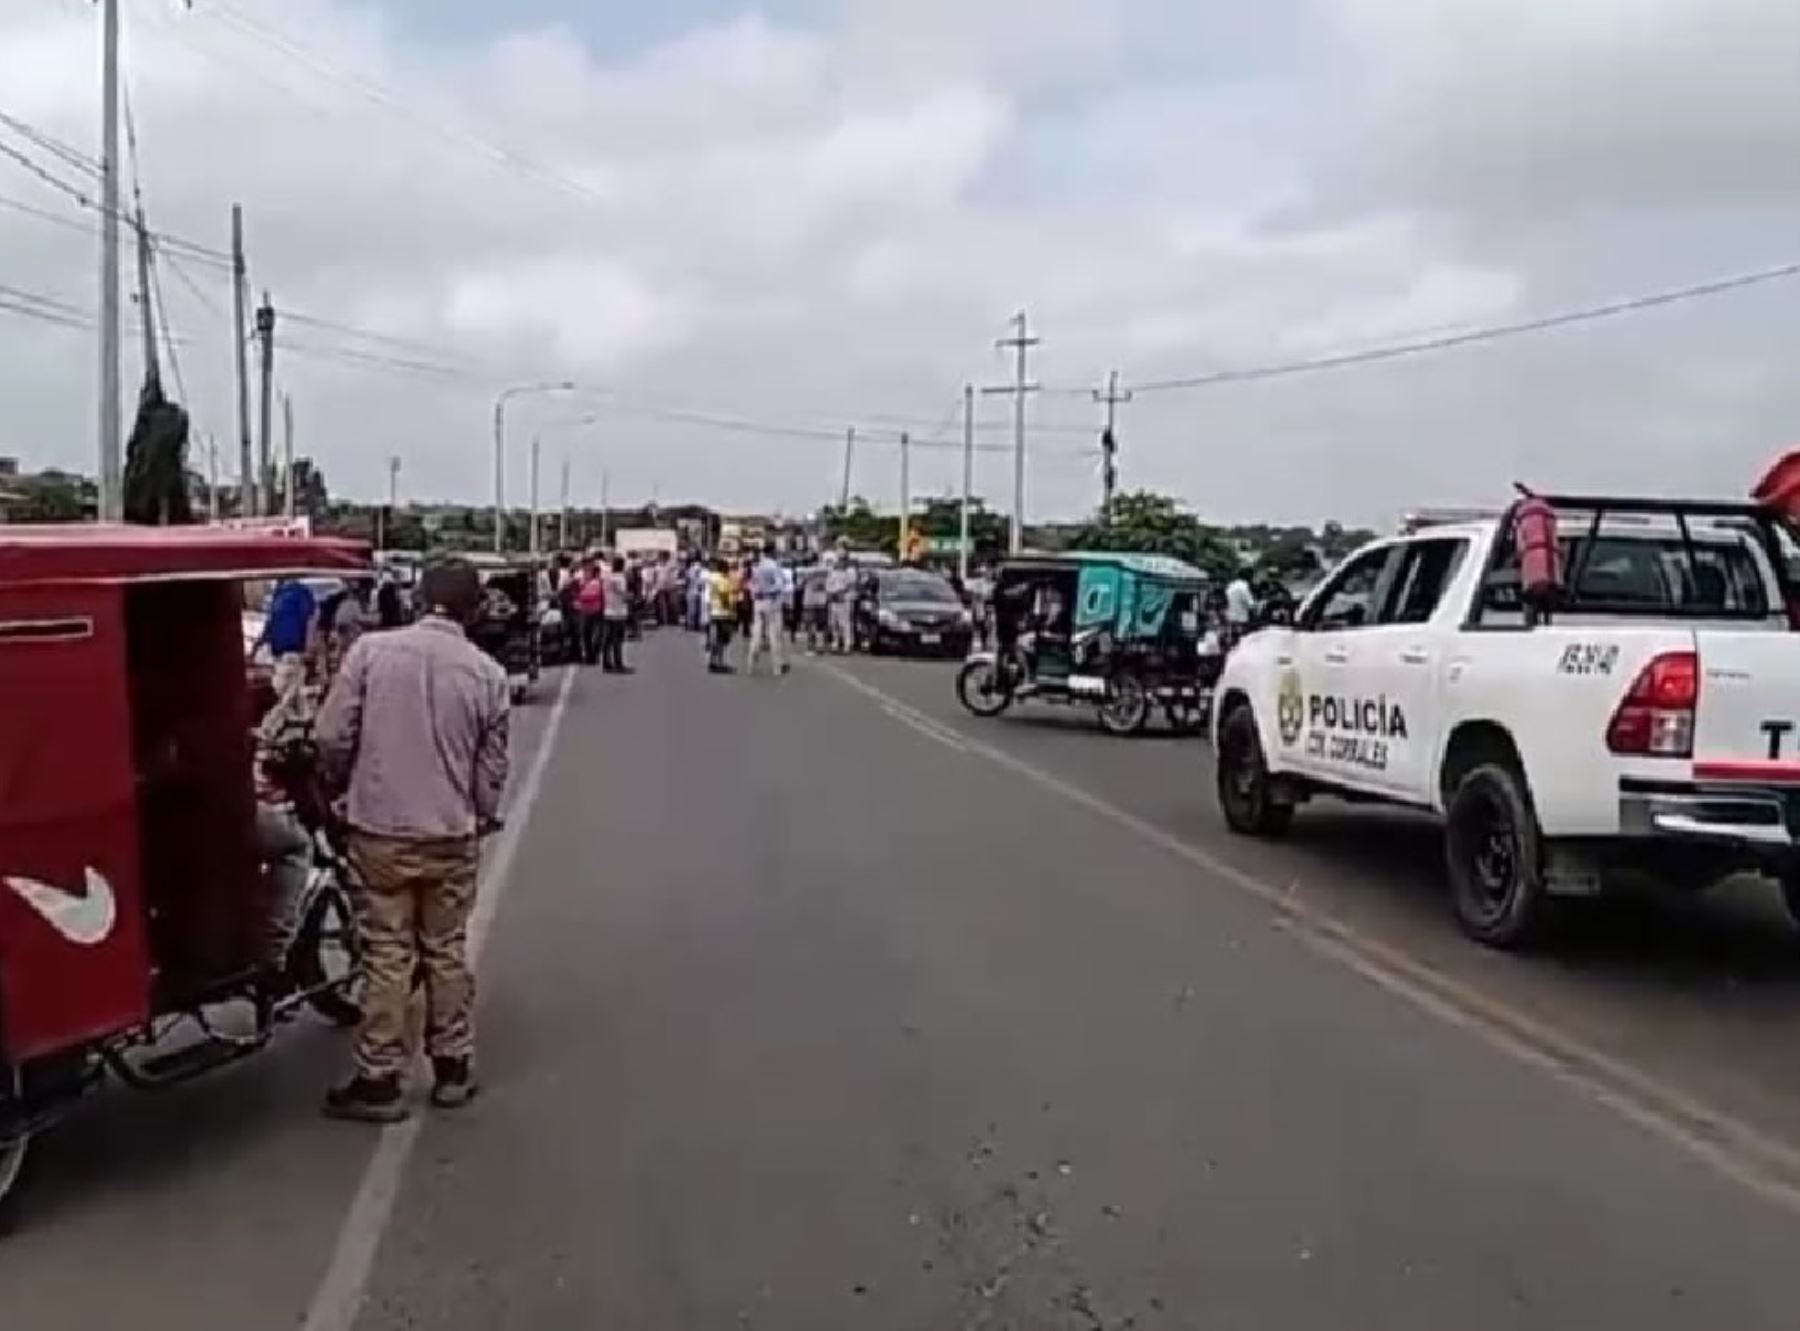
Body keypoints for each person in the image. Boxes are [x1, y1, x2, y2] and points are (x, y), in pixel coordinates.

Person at [314, 560, 510, 1122]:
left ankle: (379, 1079)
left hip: (379, 831)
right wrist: (483, 816)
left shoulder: (372, 653)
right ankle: (452, 1066)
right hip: (450, 833)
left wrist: (342, 781)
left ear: (419, 599)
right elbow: (490, 773)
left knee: (387, 953)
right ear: (474, 610)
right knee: (445, 949)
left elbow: (331, 735)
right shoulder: (488, 674)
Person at [257, 577, 318, 742]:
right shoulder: (287, 594)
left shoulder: (292, 594)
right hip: (285, 654)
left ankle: (268, 727)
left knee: (286, 692)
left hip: (291, 652)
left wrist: (309, 646)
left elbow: (310, 620)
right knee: (293, 694)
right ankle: (307, 729)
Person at [745, 545, 788, 676]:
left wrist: (756, 593)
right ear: (772, 552)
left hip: (758, 602)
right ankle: (777, 667)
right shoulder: (773, 566)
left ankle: (751, 664)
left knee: (756, 633)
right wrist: (770, 591)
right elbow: (780, 584)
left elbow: (750, 585)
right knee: (774, 634)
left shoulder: (757, 567)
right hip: (771, 601)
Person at [705, 556, 737, 673]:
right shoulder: (722, 580)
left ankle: (712, 661)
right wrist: (731, 610)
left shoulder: (713, 578)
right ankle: (720, 662)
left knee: (715, 638)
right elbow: (724, 596)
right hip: (723, 613)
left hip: (714, 611)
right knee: (722, 640)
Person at [602, 554, 632, 673]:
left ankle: (606, 663)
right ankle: (618, 663)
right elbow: (623, 594)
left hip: (608, 610)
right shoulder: (620, 578)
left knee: (608, 640)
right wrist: (631, 597)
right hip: (618, 612)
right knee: (618, 640)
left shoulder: (607, 577)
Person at [574, 559, 605, 666]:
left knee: (597, 633)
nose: (587, 570)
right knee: (585, 633)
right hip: (584, 609)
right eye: (585, 567)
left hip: (596, 609)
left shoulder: (599, 580)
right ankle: (589, 655)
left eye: (589, 567)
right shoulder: (579, 579)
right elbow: (574, 591)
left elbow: (603, 594)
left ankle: (594, 652)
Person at [825, 555, 856, 654]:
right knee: (834, 624)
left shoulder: (848, 573)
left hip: (844, 601)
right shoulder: (831, 573)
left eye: (841, 561)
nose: (839, 563)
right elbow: (828, 586)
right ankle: (835, 644)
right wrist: (831, 594)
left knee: (845, 624)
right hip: (834, 601)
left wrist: (842, 592)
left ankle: (847, 645)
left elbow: (851, 586)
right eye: (838, 561)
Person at [801, 567, 830, 653]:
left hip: (809, 601)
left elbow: (800, 584)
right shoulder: (826, 570)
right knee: (821, 624)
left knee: (810, 624)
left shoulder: (805, 570)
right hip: (822, 600)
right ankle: (820, 645)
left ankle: (811, 644)